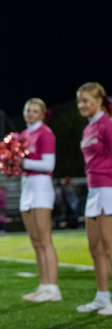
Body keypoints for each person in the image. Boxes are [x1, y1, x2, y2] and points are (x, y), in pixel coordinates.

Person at [17, 97, 60, 302]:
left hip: (41, 186)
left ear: (42, 114)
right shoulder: (23, 135)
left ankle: (53, 288)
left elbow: (48, 165)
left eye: (35, 111)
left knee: (44, 240)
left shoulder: (45, 133)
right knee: (35, 241)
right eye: (28, 110)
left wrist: (23, 163)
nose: (30, 114)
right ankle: (43, 285)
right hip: (26, 186)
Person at [75, 82, 112, 315]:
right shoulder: (88, 128)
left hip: (108, 188)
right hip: (94, 190)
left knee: (110, 246)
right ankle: (102, 297)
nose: (81, 105)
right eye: (79, 101)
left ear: (99, 100)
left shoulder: (107, 124)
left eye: (86, 100)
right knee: (95, 247)